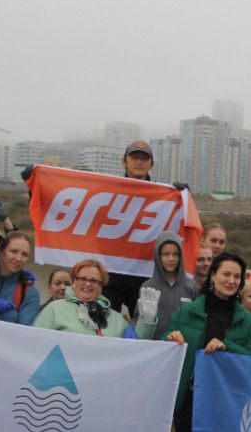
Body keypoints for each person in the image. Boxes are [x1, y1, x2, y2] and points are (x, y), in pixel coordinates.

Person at [165, 252, 251, 432]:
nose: (231, 281)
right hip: (191, 383)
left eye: (237, 277)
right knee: (187, 418)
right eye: (226, 274)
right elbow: (168, 337)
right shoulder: (189, 310)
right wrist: (171, 337)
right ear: (213, 276)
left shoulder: (244, 319)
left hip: (224, 388)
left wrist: (227, 347)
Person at [100, 140, 159, 316]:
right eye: (134, 158)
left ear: (151, 164)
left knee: (145, 329)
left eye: (144, 158)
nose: (139, 162)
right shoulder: (108, 190)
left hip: (144, 277)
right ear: (124, 161)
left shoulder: (163, 196)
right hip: (111, 274)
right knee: (105, 326)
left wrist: (182, 197)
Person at [34, 258, 156, 338]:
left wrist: (147, 321)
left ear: (101, 287)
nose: (88, 284)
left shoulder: (117, 320)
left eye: (93, 280)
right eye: (82, 279)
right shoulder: (54, 310)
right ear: (74, 282)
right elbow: (35, 342)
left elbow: (137, 349)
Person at [139, 231, 199, 339]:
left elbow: (197, 321)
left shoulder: (191, 287)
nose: (171, 259)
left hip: (182, 346)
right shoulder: (147, 287)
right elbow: (139, 320)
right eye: (166, 254)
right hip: (155, 347)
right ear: (158, 256)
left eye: (175, 254)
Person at [0, 231, 40, 325]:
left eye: (24, 255)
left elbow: (23, 333)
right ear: (2, 251)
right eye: (14, 251)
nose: (19, 258)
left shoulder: (29, 293)